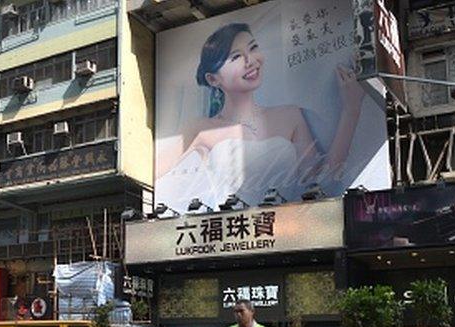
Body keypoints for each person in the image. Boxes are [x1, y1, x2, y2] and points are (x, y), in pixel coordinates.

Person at [156, 22, 365, 209]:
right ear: (213, 79)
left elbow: (322, 183)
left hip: (287, 232)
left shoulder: (290, 115)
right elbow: (148, 172)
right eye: (236, 57)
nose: (251, 61)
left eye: (253, 48)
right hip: (230, 234)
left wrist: (351, 110)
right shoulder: (201, 129)